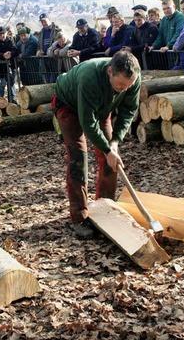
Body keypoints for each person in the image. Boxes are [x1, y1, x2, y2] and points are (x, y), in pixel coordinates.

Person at [51, 51, 141, 238]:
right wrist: (107, 149)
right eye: (120, 85)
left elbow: (128, 110)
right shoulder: (89, 76)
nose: (124, 89)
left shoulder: (133, 79)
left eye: (128, 86)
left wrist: (114, 143)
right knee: (78, 158)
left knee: (111, 161)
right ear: (110, 72)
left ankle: (105, 208)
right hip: (69, 105)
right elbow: (88, 122)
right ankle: (79, 217)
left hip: (101, 107)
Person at [0, 26, 19, 101]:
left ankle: (12, 102)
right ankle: (0, 103)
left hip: (8, 67)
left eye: (4, 33)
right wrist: (2, 55)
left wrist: (10, 53)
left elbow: (15, 50)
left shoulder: (10, 40)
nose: (2, 35)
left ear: (6, 33)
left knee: (11, 84)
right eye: (0, 34)